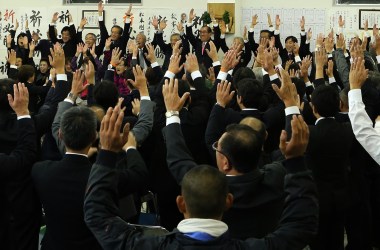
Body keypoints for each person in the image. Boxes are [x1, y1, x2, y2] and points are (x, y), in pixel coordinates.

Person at [83, 76, 318, 250]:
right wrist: (296, 159)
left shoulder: (152, 246)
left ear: (181, 203)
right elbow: (301, 224)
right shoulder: (275, 178)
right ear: (227, 201)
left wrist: (107, 153)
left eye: (217, 146)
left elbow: (97, 214)